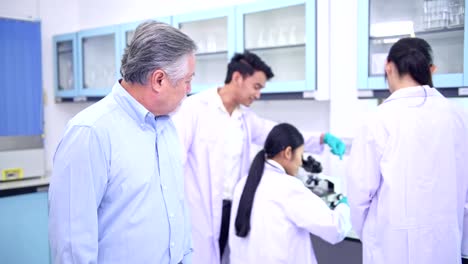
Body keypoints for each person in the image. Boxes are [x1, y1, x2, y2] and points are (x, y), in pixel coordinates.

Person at [171, 51, 346, 264]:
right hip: (200, 214)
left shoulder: (245, 118)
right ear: (237, 78)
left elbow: (278, 135)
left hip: (235, 209)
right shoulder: (193, 109)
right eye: (256, 87)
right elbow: (173, 163)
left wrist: (321, 138)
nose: (258, 94)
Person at [48, 21, 197, 264]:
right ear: (158, 80)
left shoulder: (167, 127)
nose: (189, 90)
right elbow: (72, 246)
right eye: (187, 80)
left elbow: (177, 211)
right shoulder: (90, 133)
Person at [347, 37, 468, 264]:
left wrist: (374, 238)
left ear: (388, 66)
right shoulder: (459, 118)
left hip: (391, 251)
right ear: (431, 70)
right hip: (445, 249)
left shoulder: (377, 120)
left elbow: (359, 196)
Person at [229, 123, 351, 263]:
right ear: (288, 153)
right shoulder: (288, 187)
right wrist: (344, 206)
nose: (300, 163)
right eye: (300, 155)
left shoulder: (243, 183)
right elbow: (336, 228)